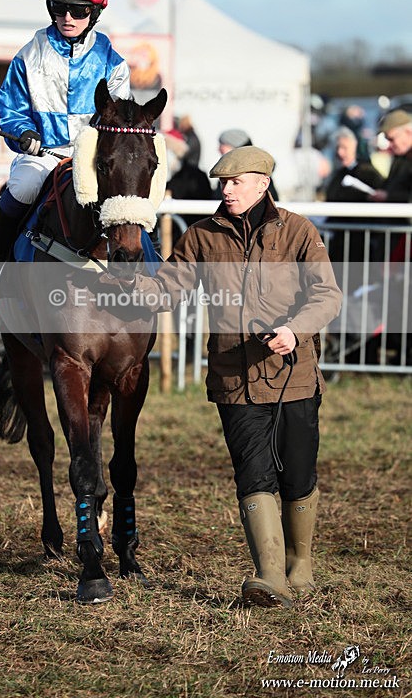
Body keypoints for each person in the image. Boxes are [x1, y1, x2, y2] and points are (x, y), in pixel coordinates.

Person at [112, 146, 342, 608]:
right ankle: (269, 576)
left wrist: (294, 331)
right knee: (253, 475)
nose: (227, 190)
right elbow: (167, 290)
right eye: (223, 183)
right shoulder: (201, 236)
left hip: (293, 376)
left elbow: (327, 295)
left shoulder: (298, 230)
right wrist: (129, 282)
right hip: (234, 381)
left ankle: (300, 565)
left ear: (262, 183)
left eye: (236, 182)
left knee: (298, 474)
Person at [0, 0, 131, 282]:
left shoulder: (113, 63)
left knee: (130, 197)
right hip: (44, 156)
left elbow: (119, 121)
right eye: (58, 7)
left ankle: (152, 268)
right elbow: (13, 109)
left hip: (94, 158)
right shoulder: (28, 55)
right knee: (23, 187)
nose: (67, 18)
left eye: (78, 11)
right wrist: (24, 132)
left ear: (95, 12)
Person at [325, 126, 385, 286]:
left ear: (355, 147)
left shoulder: (368, 173)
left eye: (344, 147)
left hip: (361, 240)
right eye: (338, 148)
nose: (340, 152)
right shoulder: (338, 174)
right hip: (340, 240)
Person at [213, 128, 279, 200]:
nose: (225, 190)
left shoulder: (253, 174)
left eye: (222, 145)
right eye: (224, 182)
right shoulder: (256, 170)